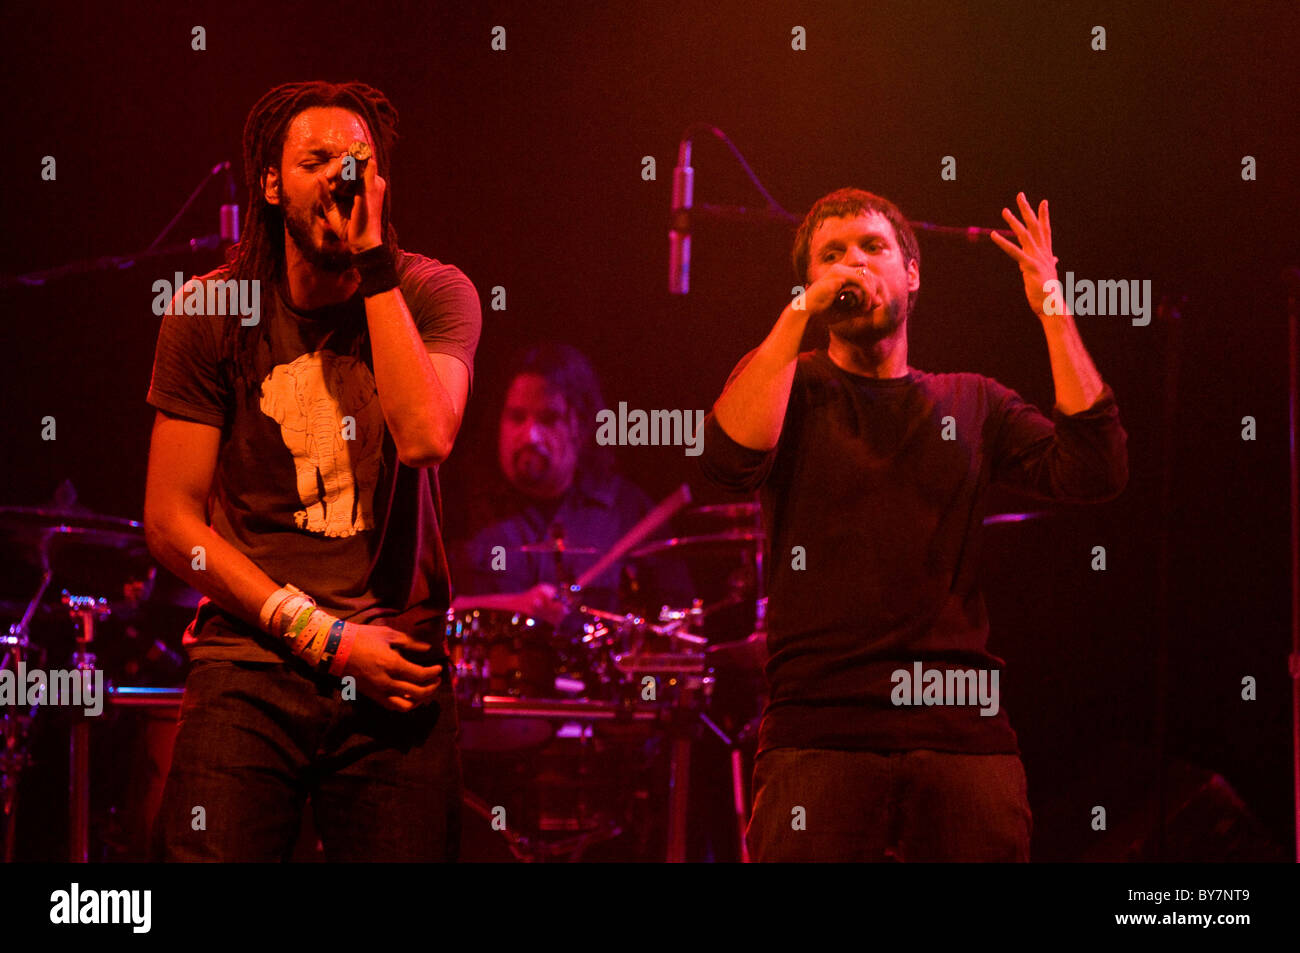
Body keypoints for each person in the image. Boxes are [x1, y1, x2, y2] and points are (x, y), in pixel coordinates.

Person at [699, 188, 1128, 862]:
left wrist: (1051, 302)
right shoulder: (792, 384)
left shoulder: (972, 400)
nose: (854, 265)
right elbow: (727, 460)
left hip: (961, 742)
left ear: (913, 272)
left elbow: (1095, 467)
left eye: (873, 248)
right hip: (819, 739)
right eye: (831, 256)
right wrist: (797, 313)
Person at [143, 80, 480, 861]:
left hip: (397, 664)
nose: (339, 175)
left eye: (357, 160)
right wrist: (321, 635)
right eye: (316, 159)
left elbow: (427, 436)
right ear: (270, 183)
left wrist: (375, 264)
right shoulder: (209, 312)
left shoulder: (434, 293)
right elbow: (169, 519)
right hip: (250, 665)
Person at [451, 343, 689, 624]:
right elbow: (417, 612)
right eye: (517, 417)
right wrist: (513, 606)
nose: (531, 437)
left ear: (581, 426)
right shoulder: (457, 506)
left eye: (549, 419)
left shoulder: (626, 511)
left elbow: (677, 619)